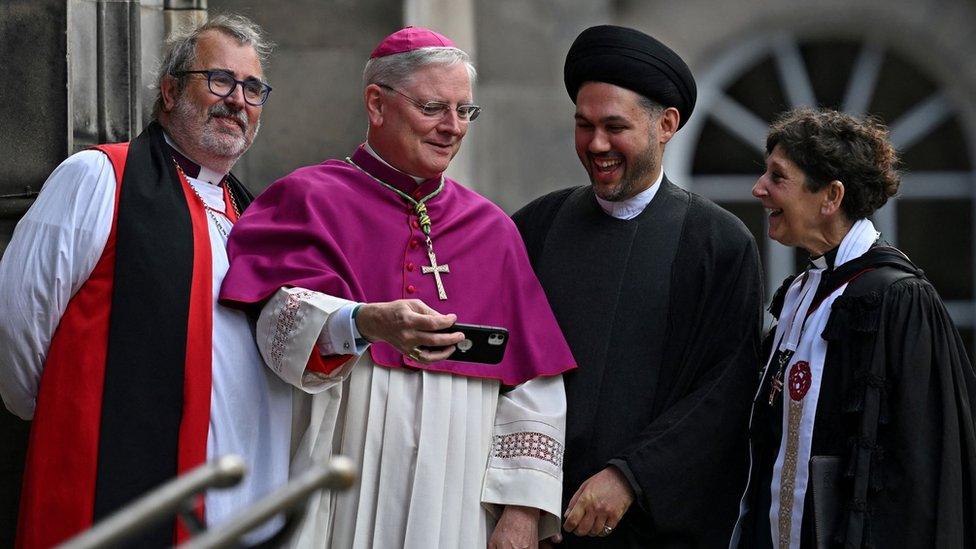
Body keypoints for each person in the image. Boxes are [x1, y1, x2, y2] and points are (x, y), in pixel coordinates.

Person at [218, 26, 577, 548]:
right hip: (338, 492)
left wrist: (522, 511)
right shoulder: (308, 200)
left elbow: (534, 385)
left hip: (457, 507)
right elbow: (274, 329)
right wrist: (362, 322)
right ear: (377, 104)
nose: (453, 127)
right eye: (433, 108)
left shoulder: (493, 230)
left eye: (464, 111)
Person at [0, 15, 289, 548]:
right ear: (171, 89)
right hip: (105, 473)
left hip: (231, 497)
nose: (238, 101)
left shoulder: (254, 217)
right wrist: (80, 412)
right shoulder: (98, 176)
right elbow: (18, 324)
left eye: (252, 89)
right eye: (220, 80)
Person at [512, 25, 764, 547]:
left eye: (614, 126)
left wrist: (630, 476)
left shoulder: (718, 243)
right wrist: (520, 497)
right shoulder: (535, 228)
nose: (596, 145)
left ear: (666, 124)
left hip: (656, 525)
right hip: (539, 522)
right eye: (583, 126)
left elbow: (724, 391)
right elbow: (508, 371)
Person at [731, 108, 976, 548]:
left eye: (777, 177)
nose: (759, 189)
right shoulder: (800, 293)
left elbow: (922, 473)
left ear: (831, 196)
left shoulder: (898, 299)